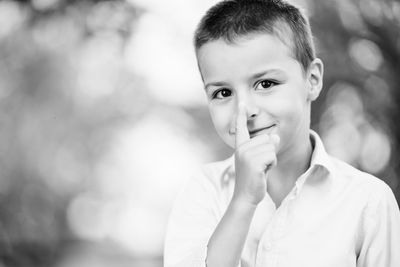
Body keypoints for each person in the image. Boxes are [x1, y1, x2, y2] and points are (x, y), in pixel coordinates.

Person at [163, 0, 400, 266]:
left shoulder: (367, 203)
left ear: (312, 81)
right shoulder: (204, 191)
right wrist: (243, 201)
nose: (246, 110)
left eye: (265, 83)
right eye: (223, 93)